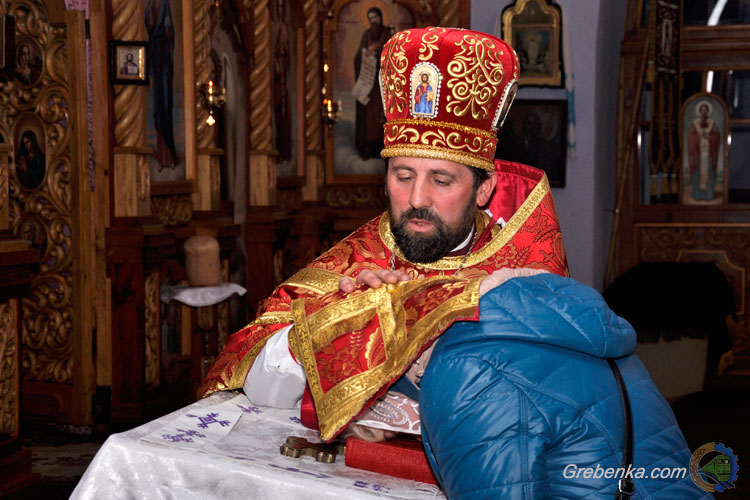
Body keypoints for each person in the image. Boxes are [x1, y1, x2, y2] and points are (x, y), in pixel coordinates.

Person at [200, 27, 703, 498]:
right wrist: (340, 322)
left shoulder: (524, 269)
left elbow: (537, 417)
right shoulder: (361, 256)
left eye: (441, 181)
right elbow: (253, 380)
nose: (416, 199)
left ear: (483, 189)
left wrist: (415, 323)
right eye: (402, 176)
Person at [353, 7, 391, 159]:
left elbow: (393, 56)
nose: (373, 21)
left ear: (381, 18)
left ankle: (382, 146)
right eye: (370, 18)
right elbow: (357, 58)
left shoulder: (387, 34)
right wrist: (366, 55)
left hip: (381, 86)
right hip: (368, 84)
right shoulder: (366, 35)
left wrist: (378, 51)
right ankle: (367, 148)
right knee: (368, 119)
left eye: (375, 18)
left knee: (380, 116)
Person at [686, 100, 720, 202]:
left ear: (708, 111)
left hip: (709, 153)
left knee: (708, 172)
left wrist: (709, 137)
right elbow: (690, 136)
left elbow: (717, 136)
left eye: (705, 109)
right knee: (698, 172)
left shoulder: (712, 123)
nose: (704, 111)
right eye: (702, 109)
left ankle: (708, 195)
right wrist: (698, 137)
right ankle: (697, 195)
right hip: (698, 153)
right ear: (700, 111)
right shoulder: (695, 123)